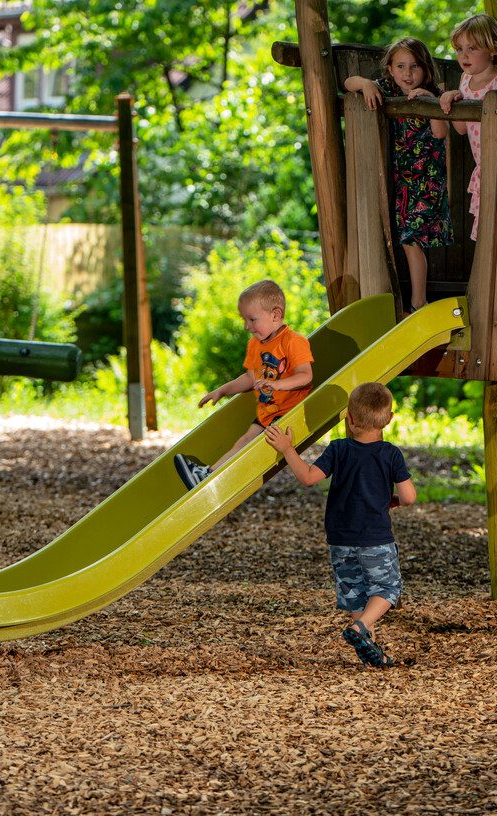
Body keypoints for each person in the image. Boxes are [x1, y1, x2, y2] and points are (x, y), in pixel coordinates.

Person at [265, 381, 417, 669]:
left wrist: (287, 450)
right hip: (375, 539)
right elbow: (409, 497)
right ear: (389, 419)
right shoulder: (391, 454)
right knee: (387, 588)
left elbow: (309, 477)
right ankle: (362, 629)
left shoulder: (338, 449)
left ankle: (372, 653)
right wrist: (394, 499)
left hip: (340, 539)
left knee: (357, 595)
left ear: (349, 419)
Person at [173, 279, 313, 489]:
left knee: (247, 443)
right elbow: (250, 378)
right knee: (243, 441)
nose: (247, 326)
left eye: (252, 319)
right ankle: (208, 475)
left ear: (275, 315)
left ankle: (209, 476)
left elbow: (306, 375)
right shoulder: (255, 344)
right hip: (268, 411)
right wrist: (223, 390)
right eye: (244, 319)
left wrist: (278, 385)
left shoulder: (293, 342)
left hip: (289, 412)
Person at [344, 37, 451, 313]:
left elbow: (441, 133)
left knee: (411, 241)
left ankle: (418, 303)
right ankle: (407, 300)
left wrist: (431, 102)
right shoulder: (388, 88)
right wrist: (366, 84)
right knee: (400, 238)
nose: (407, 73)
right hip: (397, 180)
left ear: (425, 69)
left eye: (414, 66)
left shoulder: (434, 93)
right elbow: (348, 83)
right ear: (390, 69)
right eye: (400, 66)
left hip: (425, 181)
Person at [439, 14, 497, 242]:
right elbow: (461, 129)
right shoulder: (464, 81)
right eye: (460, 49)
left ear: (493, 49)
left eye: (472, 48)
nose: (464, 55)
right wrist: (452, 100)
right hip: (483, 166)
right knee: (488, 229)